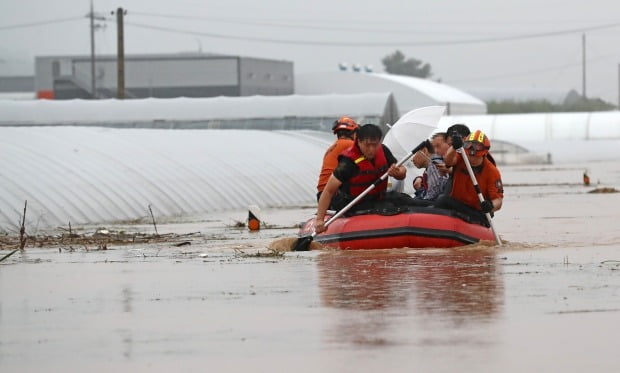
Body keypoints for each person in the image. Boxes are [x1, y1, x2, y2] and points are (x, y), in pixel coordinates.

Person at [314, 124, 406, 233]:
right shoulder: (348, 162)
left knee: (404, 200)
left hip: (378, 198)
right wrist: (320, 219)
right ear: (359, 142)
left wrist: (397, 172)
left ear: (379, 142)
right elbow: (329, 191)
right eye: (367, 145)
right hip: (354, 203)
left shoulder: (384, 151)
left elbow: (402, 172)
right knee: (387, 207)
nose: (371, 150)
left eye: (375, 145)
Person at [434, 130, 503, 226]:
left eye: (475, 156)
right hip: (457, 204)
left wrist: (490, 206)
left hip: (477, 211)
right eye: (469, 155)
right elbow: (448, 161)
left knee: (443, 200)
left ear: (484, 154)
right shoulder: (462, 157)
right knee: (442, 200)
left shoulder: (492, 172)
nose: (471, 158)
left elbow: (498, 201)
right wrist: (454, 146)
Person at [316, 116, 359, 201]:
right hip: (336, 194)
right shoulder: (350, 145)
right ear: (352, 133)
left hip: (323, 195)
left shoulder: (331, 148)